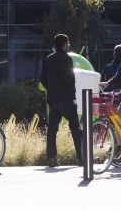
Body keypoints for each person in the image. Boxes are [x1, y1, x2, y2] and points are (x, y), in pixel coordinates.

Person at [40, 34, 83, 168]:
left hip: (53, 99)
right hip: (67, 99)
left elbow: (42, 78)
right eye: (68, 43)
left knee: (52, 130)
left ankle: (51, 158)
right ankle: (81, 158)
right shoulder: (67, 59)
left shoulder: (48, 59)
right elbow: (69, 78)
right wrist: (73, 92)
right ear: (64, 44)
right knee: (76, 129)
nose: (69, 45)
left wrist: (52, 89)